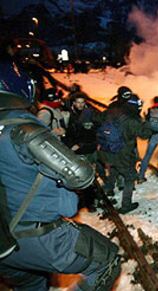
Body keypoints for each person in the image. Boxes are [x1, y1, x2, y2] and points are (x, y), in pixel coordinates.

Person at [0, 60, 121, 290]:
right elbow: (81, 175)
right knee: (108, 261)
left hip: (4, 243)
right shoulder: (22, 128)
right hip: (34, 235)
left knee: (33, 282)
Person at [97, 94, 152, 214]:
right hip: (123, 154)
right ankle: (126, 205)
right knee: (130, 177)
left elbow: (98, 119)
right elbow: (144, 134)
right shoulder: (132, 120)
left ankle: (108, 188)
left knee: (114, 168)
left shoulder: (112, 112)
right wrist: (146, 122)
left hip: (107, 151)